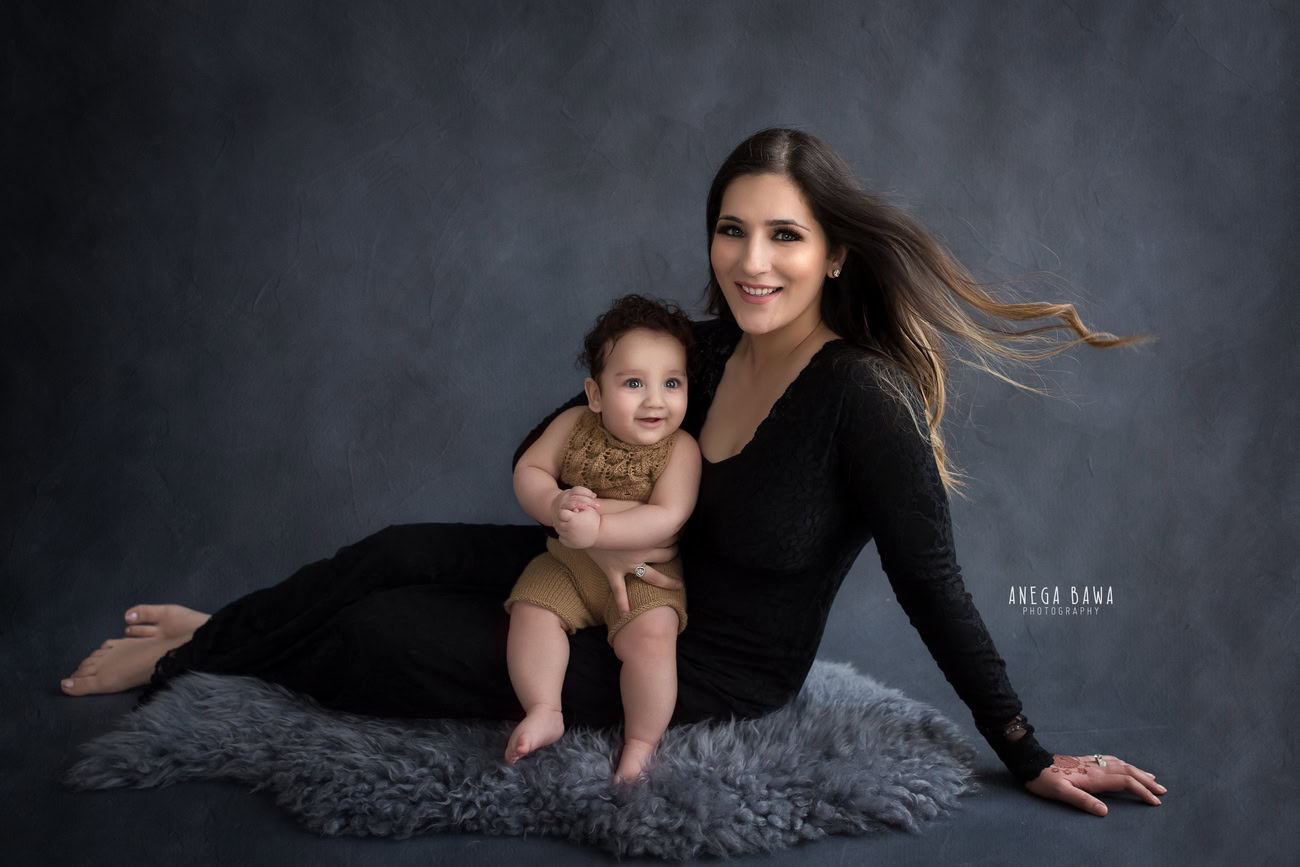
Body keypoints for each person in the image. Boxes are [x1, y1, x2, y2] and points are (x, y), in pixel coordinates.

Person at [60, 126, 1167, 815]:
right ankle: (221, 634)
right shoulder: (709, 346)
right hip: (600, 566)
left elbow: (937, 590)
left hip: (705, 656)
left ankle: (196, 662)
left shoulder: (858, 401)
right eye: (731, 233)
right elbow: (556, 432)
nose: (750, 262)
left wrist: (1025, 751)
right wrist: (572, 486)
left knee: (381, 631)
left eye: (782, 236)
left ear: (832, 252)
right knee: (394, 551)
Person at [503, 294, 699, 784]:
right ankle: (545, 708)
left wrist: (600, 528)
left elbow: (669, 516)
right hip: (567, 564)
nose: (656, 399)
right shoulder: (573, 425)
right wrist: (552, 504)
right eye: (634, 383)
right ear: (595, 394)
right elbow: (530, 468)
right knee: (531, 609)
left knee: (653, 639)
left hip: (643, 575)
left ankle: (641, 743)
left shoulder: (682, 449)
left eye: (671, 383)